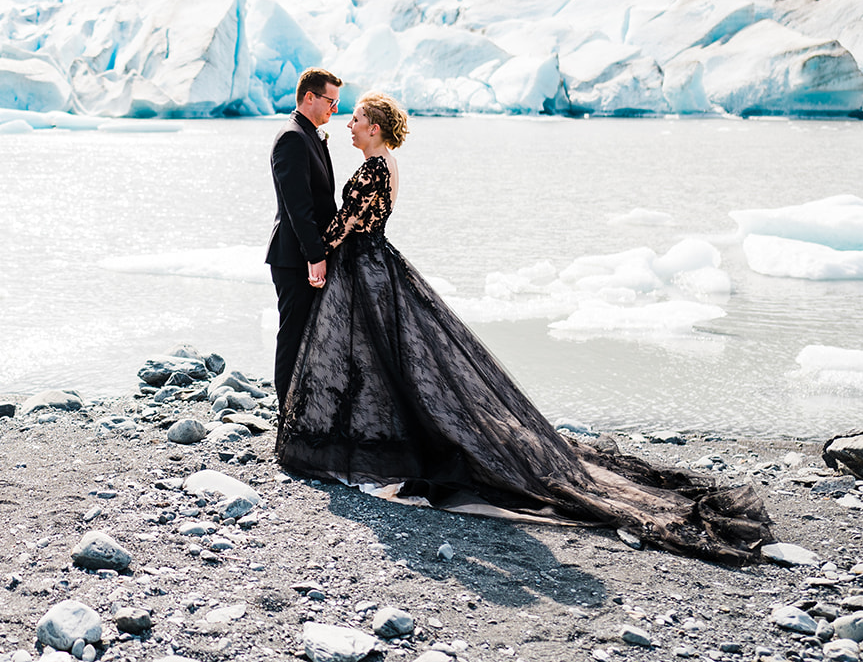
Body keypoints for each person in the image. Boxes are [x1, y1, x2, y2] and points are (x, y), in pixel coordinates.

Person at [275, 91, 773, 564]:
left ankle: (375, 446)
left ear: (375, 127)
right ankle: (380, 443)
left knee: (372, 359)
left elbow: (343, 228)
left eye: (357, 119)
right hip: (380, 265)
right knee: (389, 361)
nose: (350, 125)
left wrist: (316, 255)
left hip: (363, 269)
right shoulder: (388, 166)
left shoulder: (368, 172)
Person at [265, 68, 343, 408]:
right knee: (293, 337)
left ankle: (305, 409)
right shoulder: (292, 137)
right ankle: (286, 414)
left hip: (305, 255)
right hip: (293, 258)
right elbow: (299, 206)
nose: (335, 110)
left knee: (308, 336)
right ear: (309, 97)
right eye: (331, 101)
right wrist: (316, 255)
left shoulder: (311, 134)